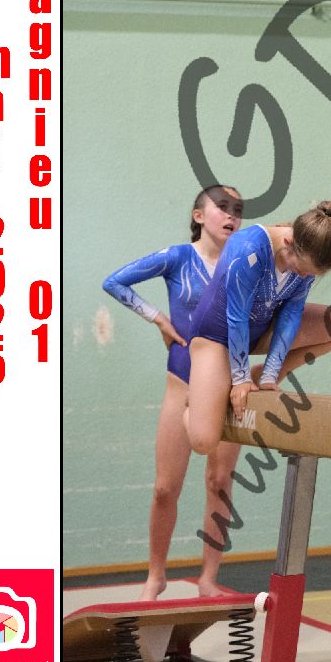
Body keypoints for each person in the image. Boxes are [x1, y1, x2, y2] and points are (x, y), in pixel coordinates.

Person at [102, 185, 245, 599]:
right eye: (222, 207)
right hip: (181, 384)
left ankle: (208, 578)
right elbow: (114, 282)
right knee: (165, 488)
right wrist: (158, 319)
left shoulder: (241, 265)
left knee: (220, 480)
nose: (231, 215)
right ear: (199, 215)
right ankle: (156, 575)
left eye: (238, 210)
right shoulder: (178, 258)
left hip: (226, 388)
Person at [187, 201, 331, 453]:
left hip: (260, 330)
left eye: (310, 274)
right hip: (216, 335)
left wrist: (269, 376)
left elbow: (292, 313)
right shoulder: (248, 248)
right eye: (301, 269)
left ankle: (257, 374)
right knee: (203, 441)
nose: (303, 276)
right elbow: (237, 317)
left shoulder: (305, 260)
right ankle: (195, 404)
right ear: (288, 242)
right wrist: (240, 380)